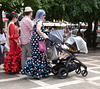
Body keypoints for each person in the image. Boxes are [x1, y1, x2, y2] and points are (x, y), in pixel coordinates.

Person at [20, 9, 52, 79]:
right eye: (44, 15)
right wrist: (43, 35)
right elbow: (38, 30)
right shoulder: (40, 21)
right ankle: (37, 72)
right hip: (38, 41)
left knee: (36, 56)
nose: (44, 17)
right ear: (40, 15)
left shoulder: (35, 21)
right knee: (40, 56)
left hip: (34, 40)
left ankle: (33, 71)